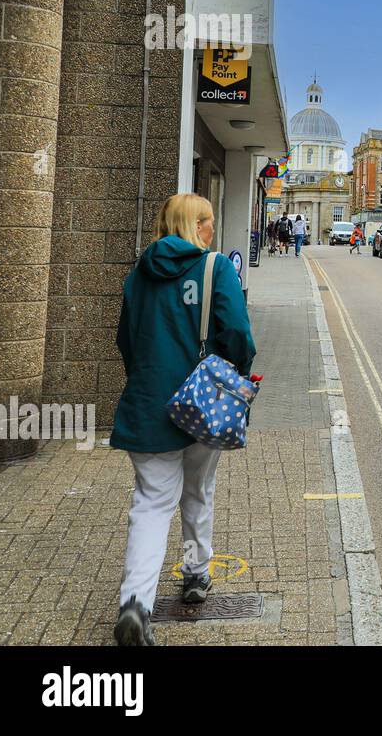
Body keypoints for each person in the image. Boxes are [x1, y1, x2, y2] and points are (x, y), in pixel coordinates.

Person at [111, 193, 257, 646]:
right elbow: (237, 334)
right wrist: (235, 372)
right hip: (201, 403)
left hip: (147, 403)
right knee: (198, 490)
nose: (212, 229)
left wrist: (148, 378)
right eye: (208, 221)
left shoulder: (138, 275)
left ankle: (135, 604)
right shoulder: (216, 267)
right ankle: (195, 573)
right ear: (195, 226)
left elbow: (126, 341)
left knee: (151, 504)